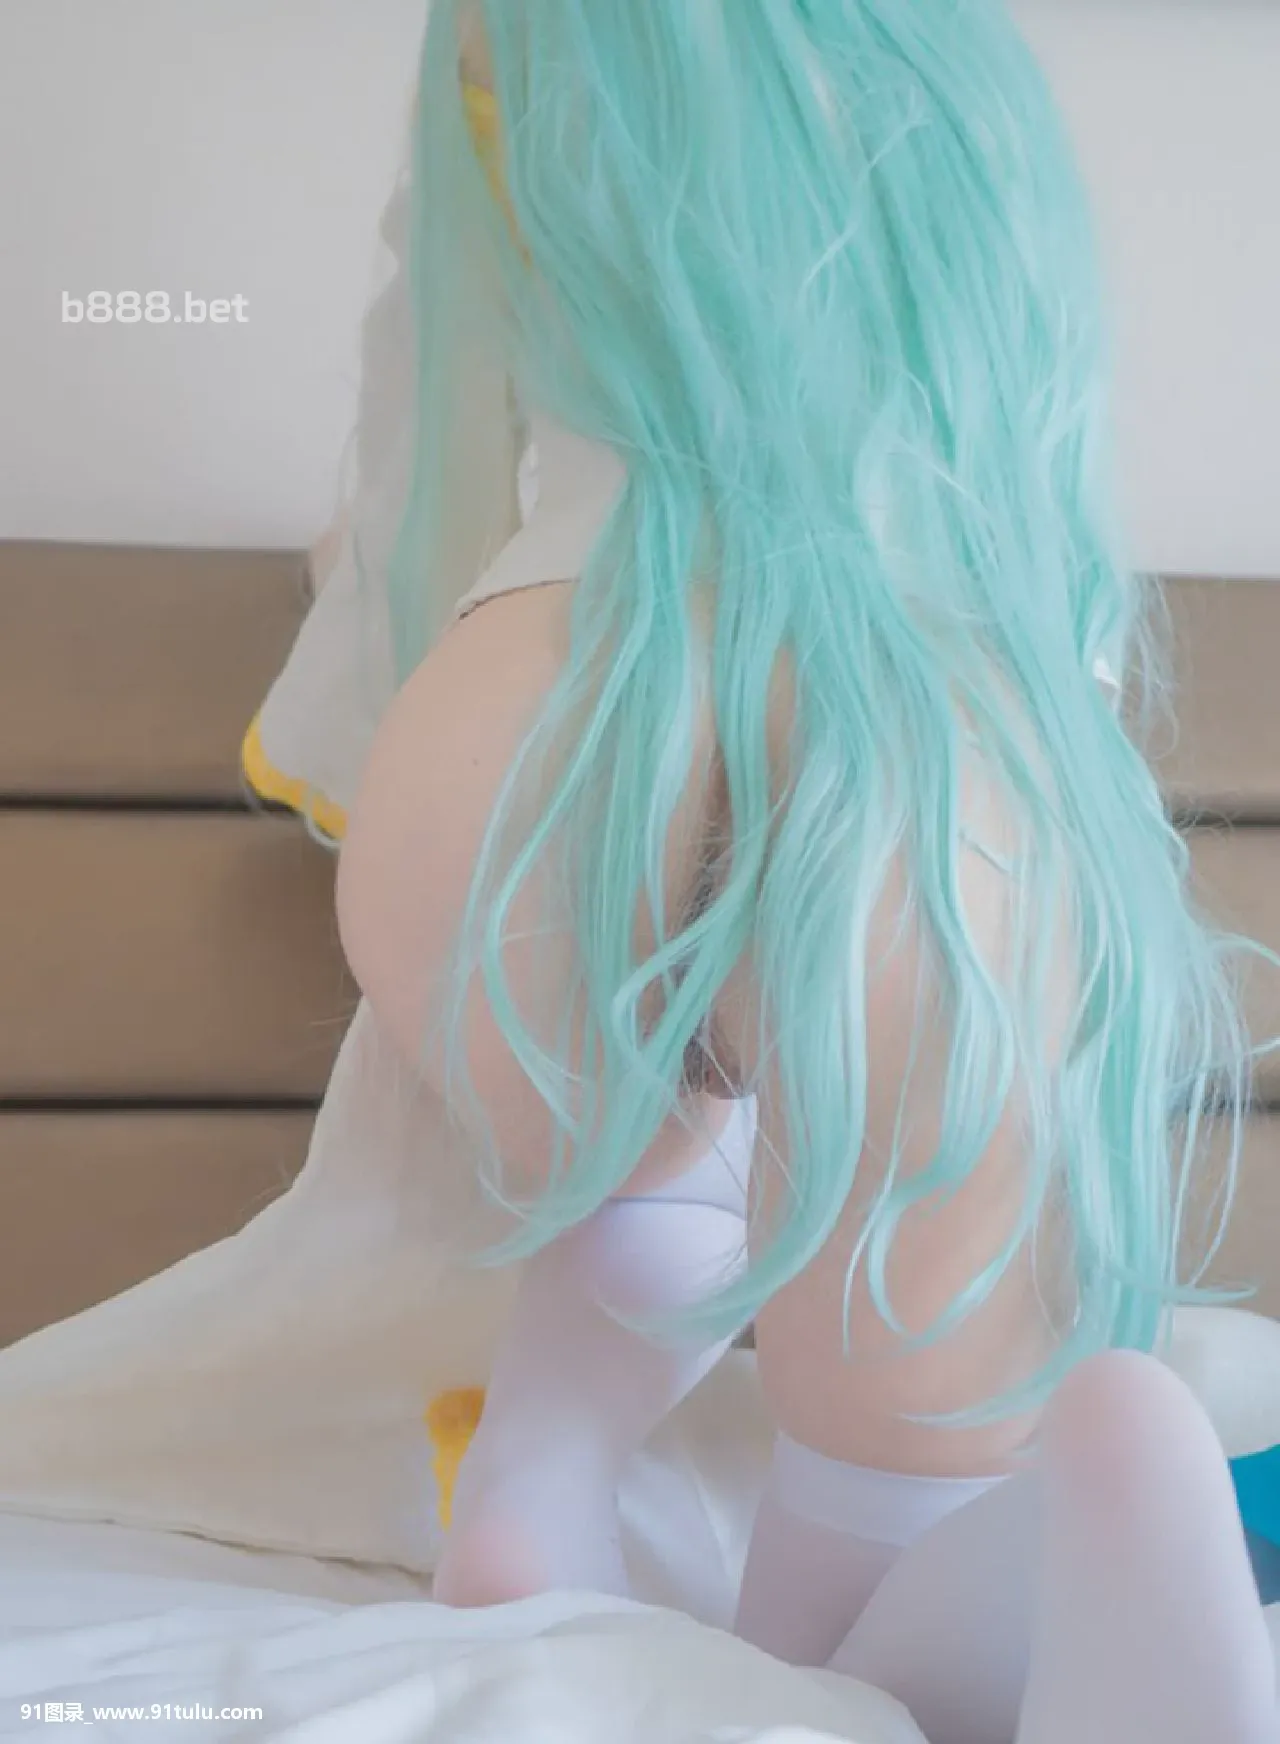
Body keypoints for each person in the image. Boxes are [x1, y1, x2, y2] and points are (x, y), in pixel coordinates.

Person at [335, 3, 1277, 1738]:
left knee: (669, 1138)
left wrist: (367, 746)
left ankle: (534, 1491)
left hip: (517, 721)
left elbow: (415, 447)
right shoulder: (953, 87)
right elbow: (1032, 513)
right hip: (910, 726)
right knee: (905, 1369)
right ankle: (908, 1646)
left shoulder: (511, 39)